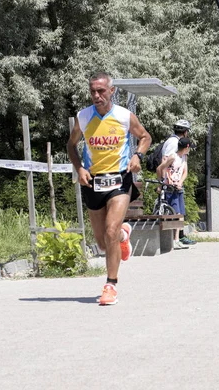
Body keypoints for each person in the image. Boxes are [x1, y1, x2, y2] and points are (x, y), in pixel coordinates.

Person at [67, 72, 152, 305]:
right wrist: (79, 168)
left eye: (101, 91)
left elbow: (145, 137)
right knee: (104, 243)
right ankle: (125, 235)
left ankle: (110, 285)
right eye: (93, 91)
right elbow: (71, 145)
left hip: (119, 180)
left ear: (111, 91)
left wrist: (137, 155)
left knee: (110, 230)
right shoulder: (83, 117)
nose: (96, 95)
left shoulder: (124, 116)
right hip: (93, 181)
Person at [160, 119, 196, 246]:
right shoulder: (174, 143)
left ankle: (178, 236)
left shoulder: (173, 142)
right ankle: (176, 238)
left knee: (179, 211)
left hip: (177, 182)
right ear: (185, 132)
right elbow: (166, 163)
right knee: (174, 211)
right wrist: (165, 181)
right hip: (171, 184)